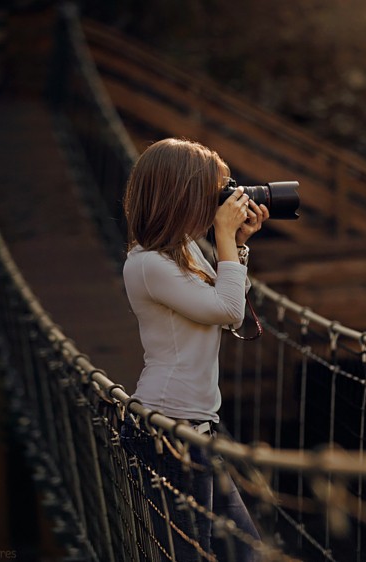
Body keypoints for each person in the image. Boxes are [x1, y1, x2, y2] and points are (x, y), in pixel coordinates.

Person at [119, 137, 268, 561]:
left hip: (195, 427)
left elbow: (231, 303)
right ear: (182, 193)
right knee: (190, 554)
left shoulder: (182, 250)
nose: (220, 202)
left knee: (247, 552)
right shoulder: (147, 263)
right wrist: (223, 235)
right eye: (214, 192)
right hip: (170, 429)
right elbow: (228, 309)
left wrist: (236, 243)